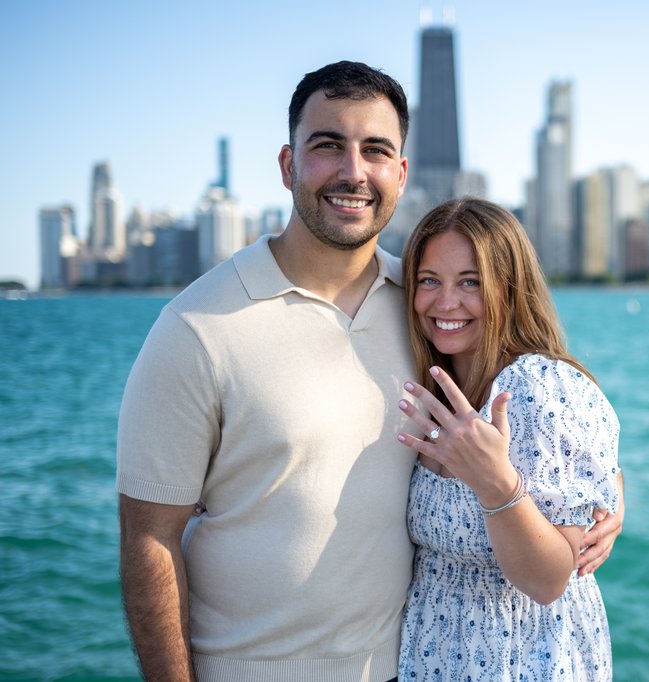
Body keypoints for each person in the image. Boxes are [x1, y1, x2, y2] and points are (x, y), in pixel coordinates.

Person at [117, 60, 623, 682]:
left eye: (375, 150)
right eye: (327, 145)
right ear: (287, 164)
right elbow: (149, 538)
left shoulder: (424, 307)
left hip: (405, 666)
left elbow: (546, 415)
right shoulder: (196, 327)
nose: (353, 171)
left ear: (400, 173)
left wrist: (607, 501)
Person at [395, 198, 621, 680]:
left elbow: (548, 580)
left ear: (509, 289)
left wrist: (497, 485)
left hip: (523, 662)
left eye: (470, 282)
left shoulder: (539, 389)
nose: (446, 302)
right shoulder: (433, 385)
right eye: (429, 280)